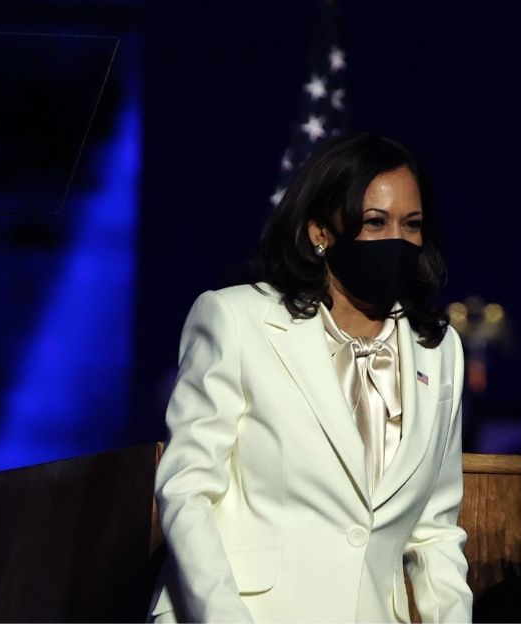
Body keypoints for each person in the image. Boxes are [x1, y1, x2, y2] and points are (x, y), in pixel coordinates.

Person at [148, 134, 473, 623]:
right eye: (375, 222)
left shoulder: (440, 349)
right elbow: (186, 490)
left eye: (412, 224)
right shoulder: (236, 319)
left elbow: (435, 529)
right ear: (321, 231)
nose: (398, 240)